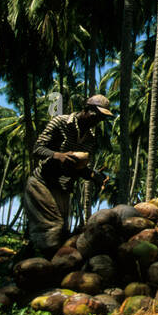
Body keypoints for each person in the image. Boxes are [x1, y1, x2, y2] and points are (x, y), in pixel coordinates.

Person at [23, 95, 113, 256]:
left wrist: (94, 175)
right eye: (96, 115)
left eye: (101, 117)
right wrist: (58, 155)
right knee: (53, 228)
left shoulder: (90, 139)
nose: (97, 120)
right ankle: (34, 267)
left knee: (61, 232)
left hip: (63, 187)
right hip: (42, 183)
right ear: (86, 109)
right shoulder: (61, 122)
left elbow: (78, 168)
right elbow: (37, 148)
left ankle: (31, 262)